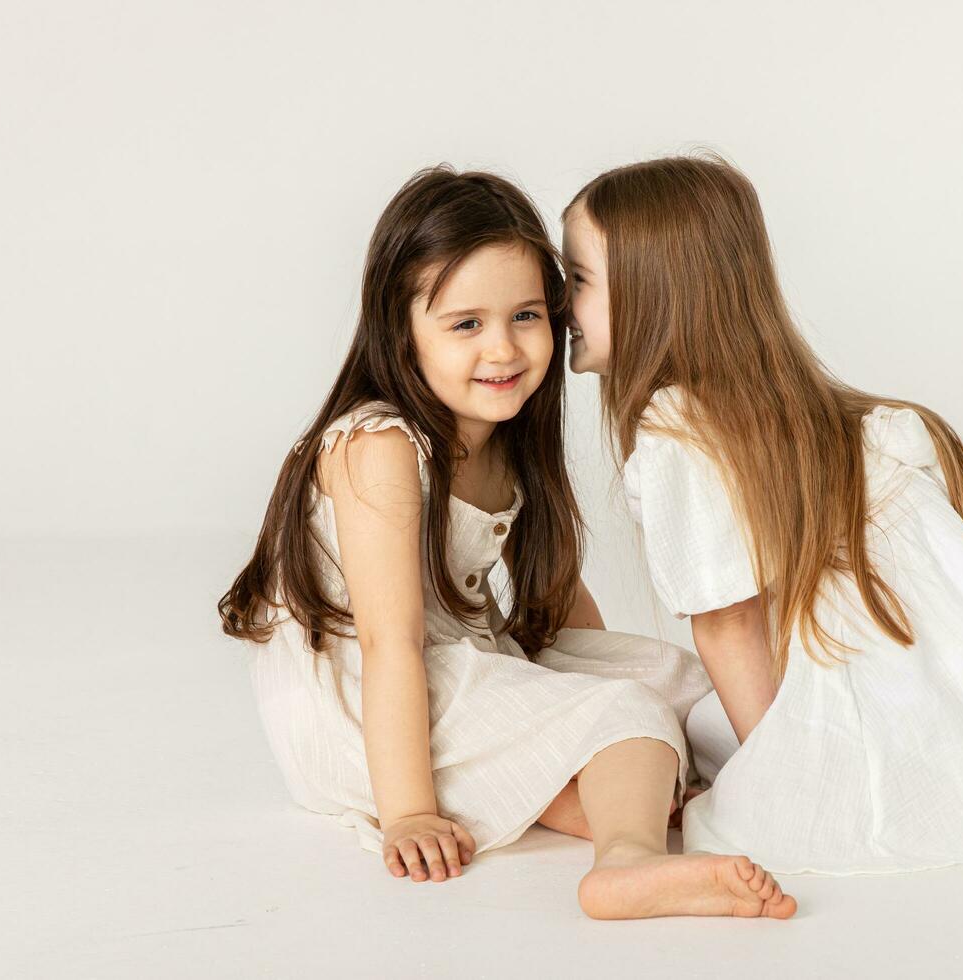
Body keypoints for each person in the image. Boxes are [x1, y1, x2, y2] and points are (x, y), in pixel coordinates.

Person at [218, 165, 796, 918]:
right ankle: (627, 861)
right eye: (466, 324)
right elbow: (392, 645)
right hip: (365, 702)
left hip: (454, 656)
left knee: (670, 683)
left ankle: (636, 795)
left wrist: (588, 690)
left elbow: (559, 596)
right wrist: (409, 814)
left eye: (526, 316)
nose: (504, 350)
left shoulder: (504, 431)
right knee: (625, 718)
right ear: (401, 332)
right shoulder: (379, 446)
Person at [560, 154, 963, 876]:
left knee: (695, 730)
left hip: (861, 685)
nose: (561, 303)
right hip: (957, 682)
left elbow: (729, 621)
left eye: (578, 278)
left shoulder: (676, 432)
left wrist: (772, 776)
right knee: (709, 715)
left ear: (654, 291)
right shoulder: (805, 415)